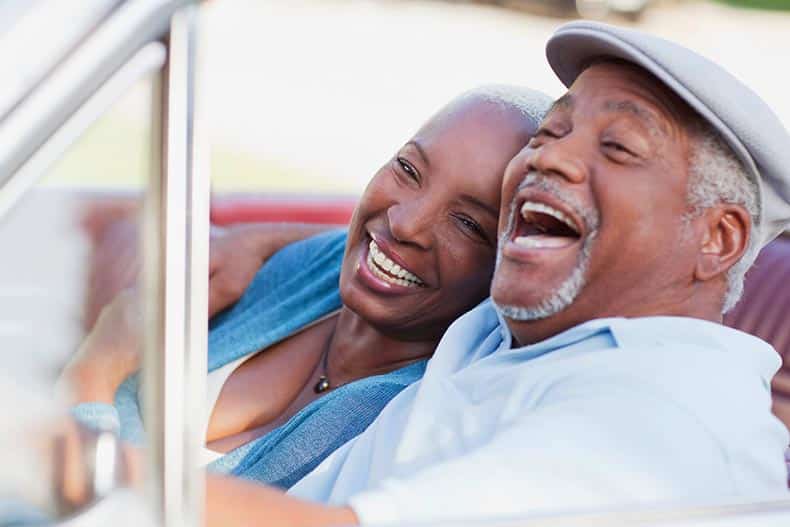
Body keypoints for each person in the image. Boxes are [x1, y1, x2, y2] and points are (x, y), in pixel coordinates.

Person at [189, 21, 790, 527]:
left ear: (717, 238)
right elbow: (404, 241)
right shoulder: (533, 326)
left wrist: (105, 468)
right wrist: (254, 241)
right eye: (553, 131)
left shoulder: (662, 418)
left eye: (618, 148)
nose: (548, 156)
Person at [59, 86, 552, 489]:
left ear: (506, 266)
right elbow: (337, 240)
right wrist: (255, 238)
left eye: (468, 223)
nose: (406, 222)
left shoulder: (388, 419)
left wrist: (95, 372)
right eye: (408, 169)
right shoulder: (317, 270)